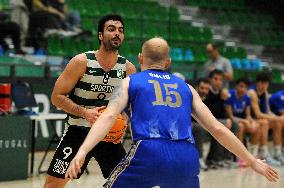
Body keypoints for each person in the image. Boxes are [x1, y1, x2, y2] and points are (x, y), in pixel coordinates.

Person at [65, 37, 278, 187]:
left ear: (140, 58)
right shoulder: (187, 88)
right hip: (185, 155)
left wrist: (82, 152)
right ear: (168, 62)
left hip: (149, 150)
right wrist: (251, 160)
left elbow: (109, 117)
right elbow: (217, 129)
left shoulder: (131, 82)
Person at [43, 14, 136, 188]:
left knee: (126, 184)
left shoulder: (128, 69)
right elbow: (57, 97)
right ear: (100, 35)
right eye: (111, 29)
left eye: (120, 30)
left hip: (109, 136)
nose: (117, 33)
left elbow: (128, 104)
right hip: (77, 131)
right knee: (52, 185)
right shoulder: (81, 62)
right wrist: (85, 113)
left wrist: (123, 122)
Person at [248, 72, 284, 166]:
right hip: (251, 119)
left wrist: (277, 118)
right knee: (265, 122)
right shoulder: (252, 93)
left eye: (267, 83)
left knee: (278, 123)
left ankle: (277, 153)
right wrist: (276, 117)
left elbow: (268, 111)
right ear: (258, 83)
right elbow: (257, 114)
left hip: (260, 119)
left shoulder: (265, 93)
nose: (266, 86)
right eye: (264, 83)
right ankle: (264, 153)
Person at [204, 69, 237, 168]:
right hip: (204, 121)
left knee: (234, 125)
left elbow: (223, 112)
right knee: (221, 126)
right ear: (210, 80)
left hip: (217, 120)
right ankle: (215, 159)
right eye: (215, 79)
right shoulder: (206, 92)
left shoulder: (221, 94)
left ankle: (226, 157)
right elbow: (207, 113)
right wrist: (223, 120)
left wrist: (227, 118)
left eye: (220, 80)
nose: (218, 82)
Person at [225, 78, 261, 166]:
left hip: (242, 122)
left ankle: (253, 155)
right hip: (231, 122)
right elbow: (231, 116)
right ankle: (240, 157)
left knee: (257, 125)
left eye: (245, 87)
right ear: (236, 86)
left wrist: (251, 122)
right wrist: (245, 121)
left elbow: (248, 115)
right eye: (241, 86)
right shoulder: (229, 96)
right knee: (240, 126)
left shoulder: (247, 98)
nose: (243, 89)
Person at [192, 78, 210, 170]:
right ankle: (199, 158)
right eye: (202, 88)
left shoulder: (211, 99)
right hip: (189, 123)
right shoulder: (191, 97)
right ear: (196, 88)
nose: (204, 91)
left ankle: (219, 158)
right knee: (199, 128)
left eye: (206, 89)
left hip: (205, 123)